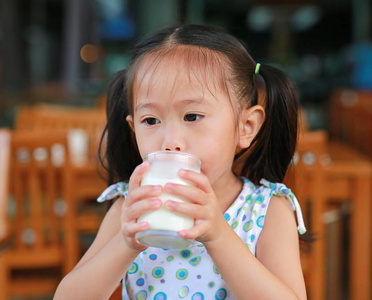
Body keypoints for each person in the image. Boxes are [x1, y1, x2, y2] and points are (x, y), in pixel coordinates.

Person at [54, 24, 307, 300]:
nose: (170, 141)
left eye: (192, 117)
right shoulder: (130, 207)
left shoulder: (266, 210)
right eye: (151, 121)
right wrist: (125, 243)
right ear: (133, 129)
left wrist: (218, 235)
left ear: (246, 126)